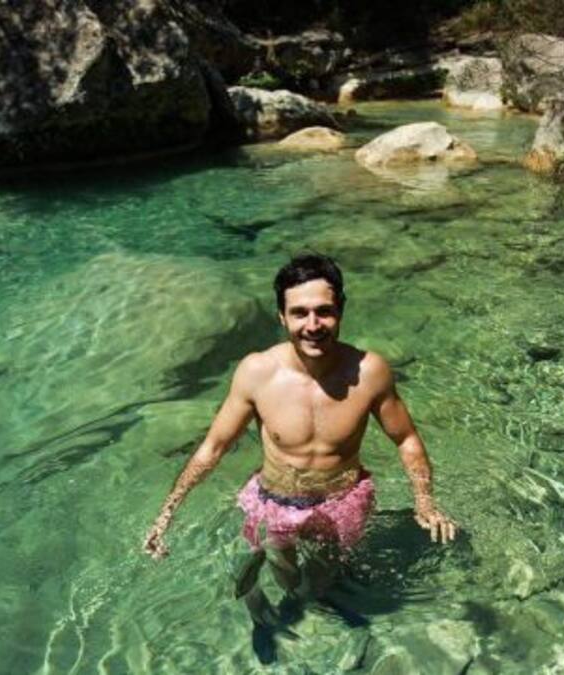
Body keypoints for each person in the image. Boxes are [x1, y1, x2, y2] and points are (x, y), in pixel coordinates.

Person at [142, 254, 456, 656]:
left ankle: (304, 609)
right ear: (281, 316)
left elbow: (406, 438)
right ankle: (270, 600)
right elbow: (213, 447)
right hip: (273, 500)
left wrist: (425, 502)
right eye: (299, 313)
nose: (313, 325)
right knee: (284, 572)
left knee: (319, 583)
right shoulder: (257, 373)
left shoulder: (369, 372)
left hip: (341, 502)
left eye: (324, 311)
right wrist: (166, 513)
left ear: (340, 311)